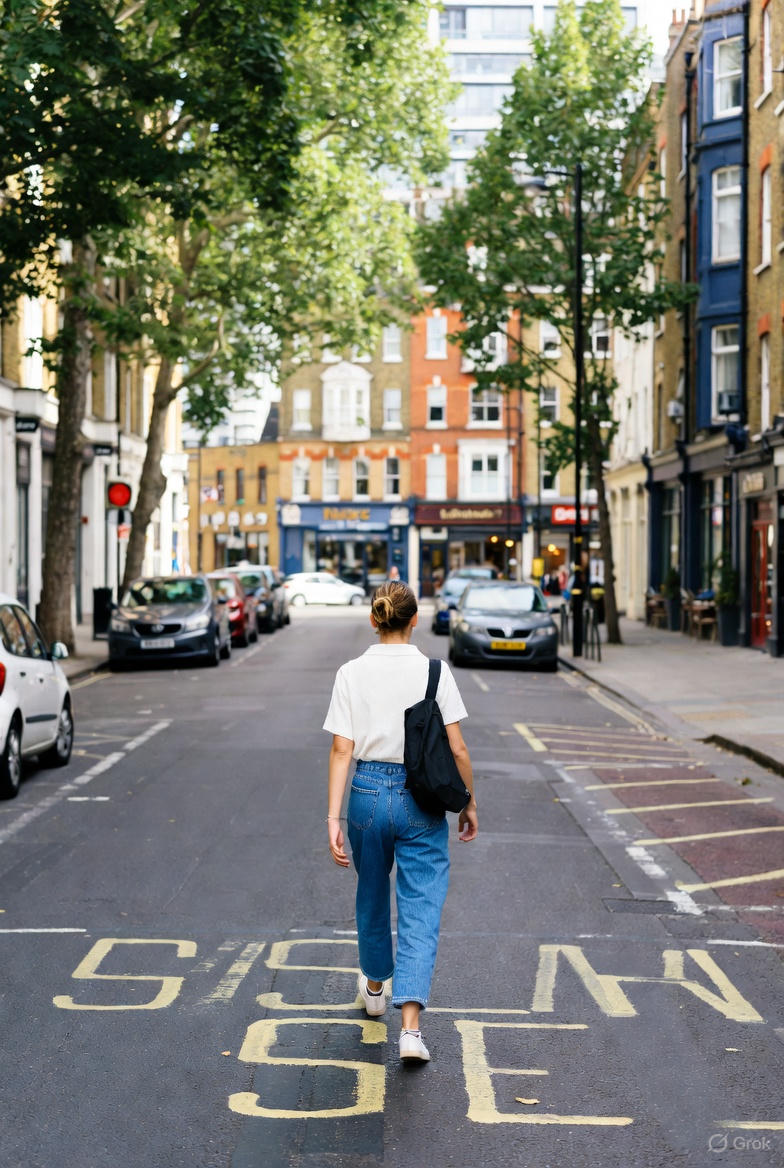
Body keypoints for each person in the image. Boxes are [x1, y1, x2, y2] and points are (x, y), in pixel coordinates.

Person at [323, 580, 477, 1064]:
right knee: (420, 907)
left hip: (367, 793)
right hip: (421, 799)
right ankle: (410, 1029)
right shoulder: (435, 671)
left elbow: (341, 748)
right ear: (415, 620)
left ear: (374, 619)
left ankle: (373, 985)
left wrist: (334, 816)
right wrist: (468, 802)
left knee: (370, 893)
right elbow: (456, 747)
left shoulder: (351, 672)